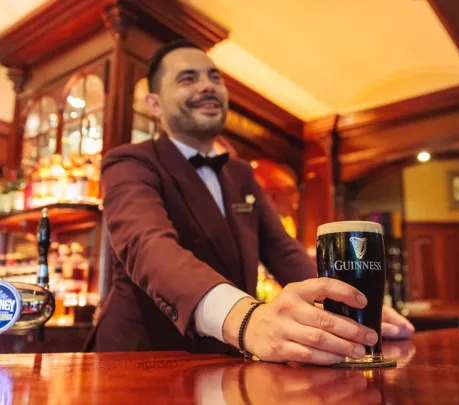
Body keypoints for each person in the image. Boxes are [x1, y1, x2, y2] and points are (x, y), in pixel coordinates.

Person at [87, 39, 414, 365]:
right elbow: (149, 246)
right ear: (154, 104)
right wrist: (247, 319)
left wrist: (344, 306)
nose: (207, 87)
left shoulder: (240, 173)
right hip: (139, 360)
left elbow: (282, 250)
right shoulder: (130, 162)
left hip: (223, 363)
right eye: (188, 79)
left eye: (214, 78)